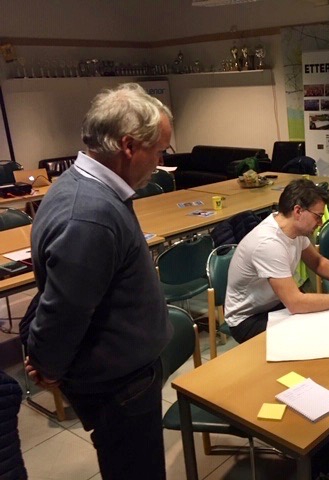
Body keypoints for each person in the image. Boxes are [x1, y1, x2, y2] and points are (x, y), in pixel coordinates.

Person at [26, 83, 173, 480]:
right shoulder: (90, 214)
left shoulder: (88, 190)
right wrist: (47, 364)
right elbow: (64, 309)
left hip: (124, 377)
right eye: (159, 151)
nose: (160, 163)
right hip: (120, 387)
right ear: (129, 146)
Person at [225, 179, 329, 343]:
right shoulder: (269, 244)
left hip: (275, 303)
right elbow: (295, 303)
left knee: (326, 322)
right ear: (298, 211)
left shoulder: (294, 230)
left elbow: (318, 263)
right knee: (312, 337)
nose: (320, 223)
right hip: (248, 319)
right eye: (318, 216)